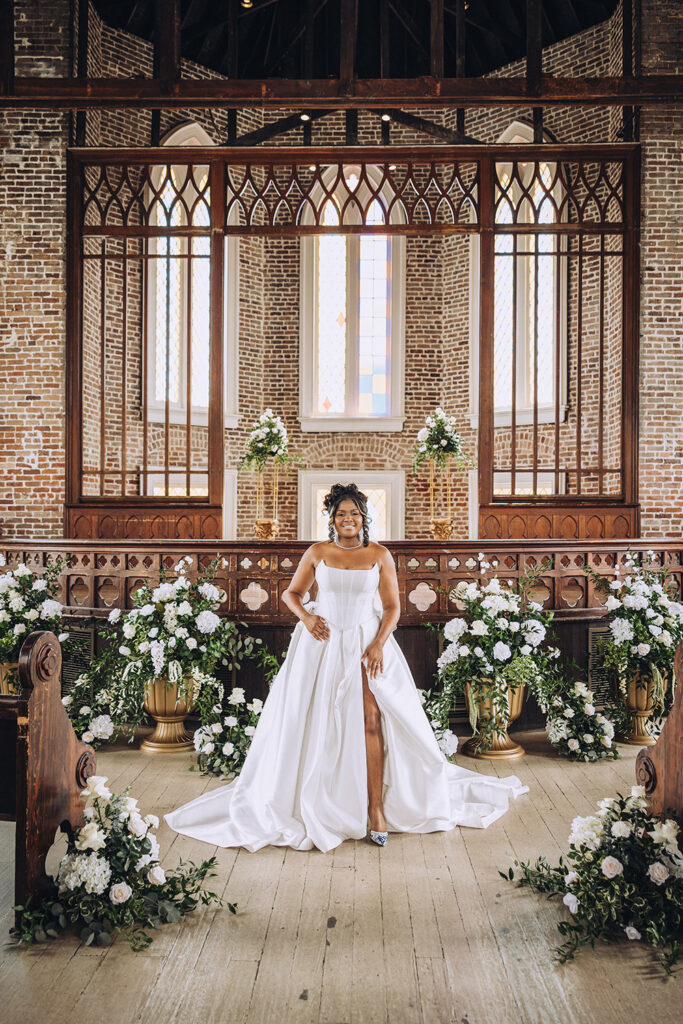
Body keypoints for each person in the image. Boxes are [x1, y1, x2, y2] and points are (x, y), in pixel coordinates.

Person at [164, 483, 528, 853]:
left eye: (354, 513)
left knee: (371, 720)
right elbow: (292, 594)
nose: (348, 519)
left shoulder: (380, 555)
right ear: (332, 519)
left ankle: (376, 810)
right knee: (315, 723)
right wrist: (306, 618)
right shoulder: (318, 552)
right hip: (320, 646)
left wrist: (377, 644)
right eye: (341, 514)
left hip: (366, 644)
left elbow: (392, 608)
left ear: (364, 517)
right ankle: (319, 802)